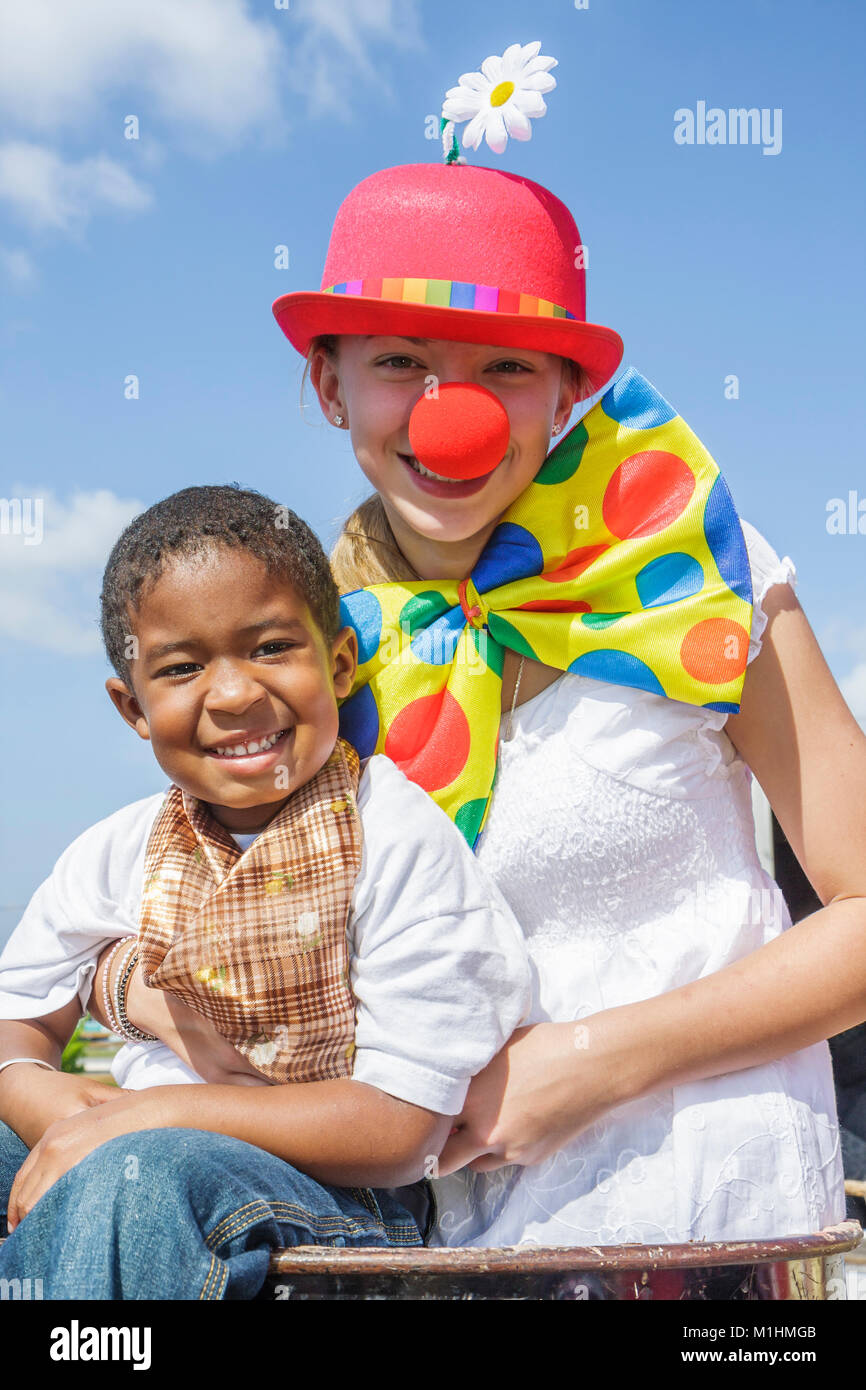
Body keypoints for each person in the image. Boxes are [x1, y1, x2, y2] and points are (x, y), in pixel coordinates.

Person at [261, 143, 866, 1247]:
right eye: (400, 361)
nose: (455, 417)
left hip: (707, 1213)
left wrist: (596, 1060)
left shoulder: (693, 573)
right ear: (326, 382)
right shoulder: (310, 651)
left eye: (505, 369)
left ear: (569, 391)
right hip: (434, 1238)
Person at [0, 484, 531, 1297]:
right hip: (138, 1159)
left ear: (342, 661)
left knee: (135, 1179)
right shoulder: (117, 851)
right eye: (181, 668)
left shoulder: (392, 835)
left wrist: (144, 1118)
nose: (236, 693)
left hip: (343, 1198)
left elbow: (401, 1128)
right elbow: (19, 1020)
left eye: (272, 647)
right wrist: (46, 1097)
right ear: (131, 706)